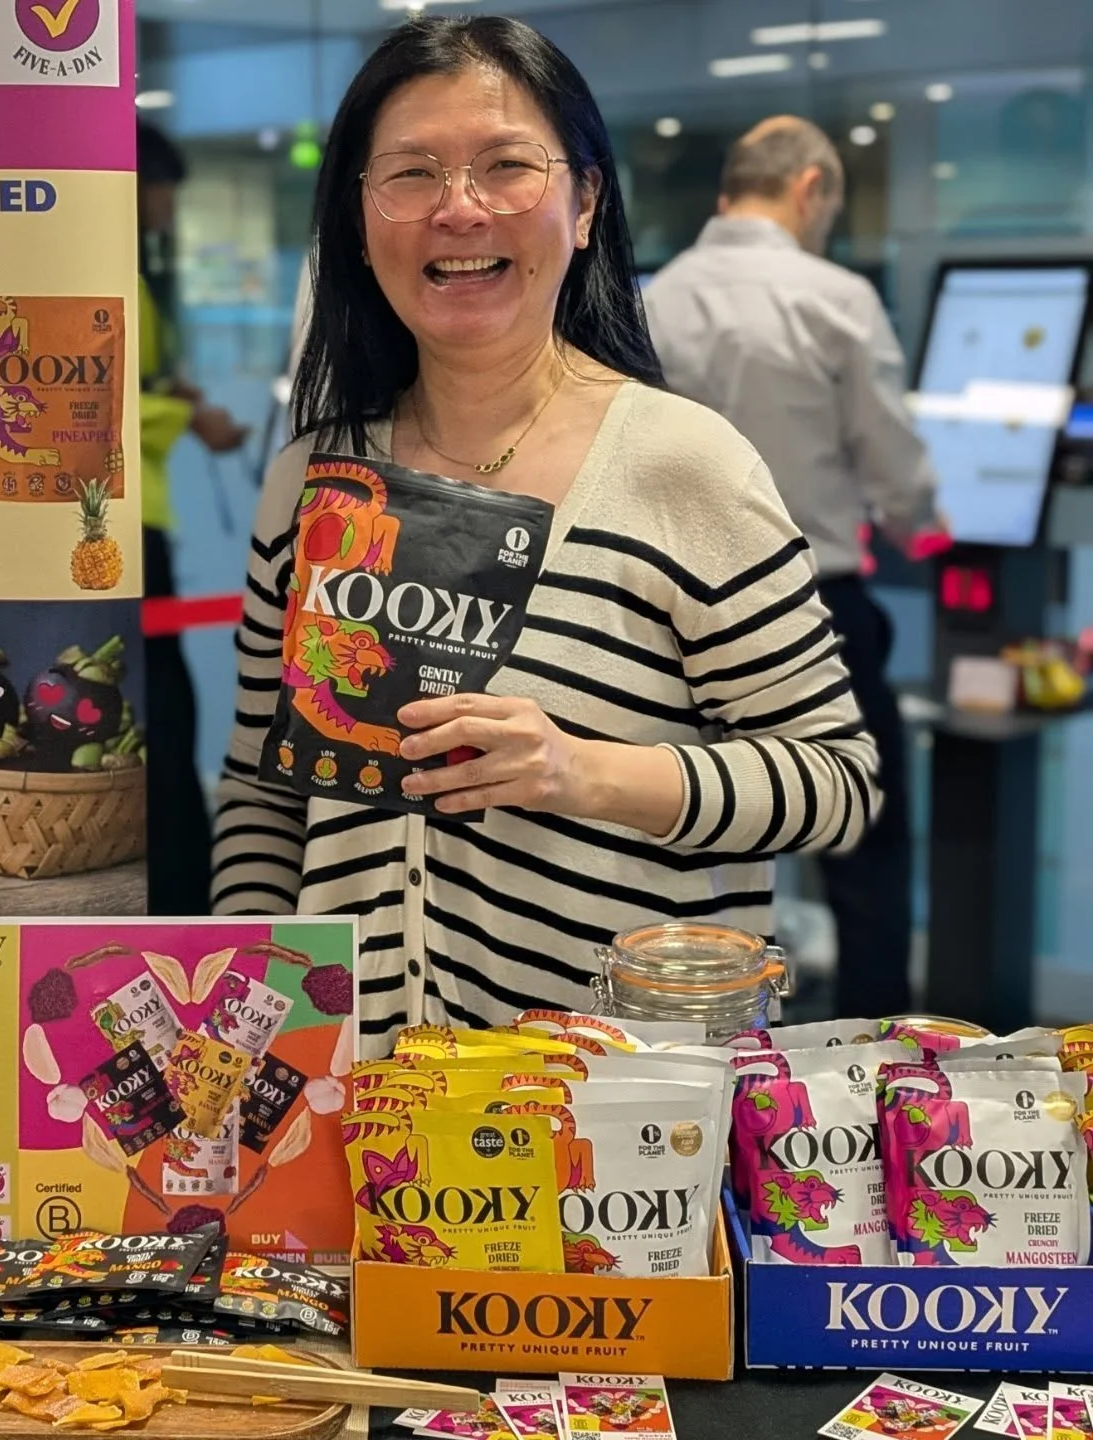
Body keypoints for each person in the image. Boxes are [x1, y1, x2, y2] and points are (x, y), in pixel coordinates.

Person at [209, 18, 882, 1055]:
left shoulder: (685, 463)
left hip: (617, 1129)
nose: (458, 208)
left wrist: (581, 772)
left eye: (505, 166)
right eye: (412, 173)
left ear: (584, 201)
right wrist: (257, 1027)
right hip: (363, 1120)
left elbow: (834, 783)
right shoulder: (313, 478)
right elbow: (263, 787)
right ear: (356, 217)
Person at [641, 116, 940, 1018]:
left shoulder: (652, 299)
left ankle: (712, 1055)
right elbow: (895, 467)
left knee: (699, 836)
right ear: (810, 188)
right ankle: (877, 1069)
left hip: (665, 614)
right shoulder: (836, 296)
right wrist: (918, 517)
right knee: (865, 845)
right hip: (816, 611)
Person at [137, 119, 248, 915]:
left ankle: (185, 876)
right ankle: (177, 888)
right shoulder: (104, 272)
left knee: (173, 711)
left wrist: (177, 401)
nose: (172, 208)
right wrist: (188, 421)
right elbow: (98, 404)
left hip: (142, 519)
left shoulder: (136, 275)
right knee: (164, 714)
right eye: (165, 188)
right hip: (118, 527)